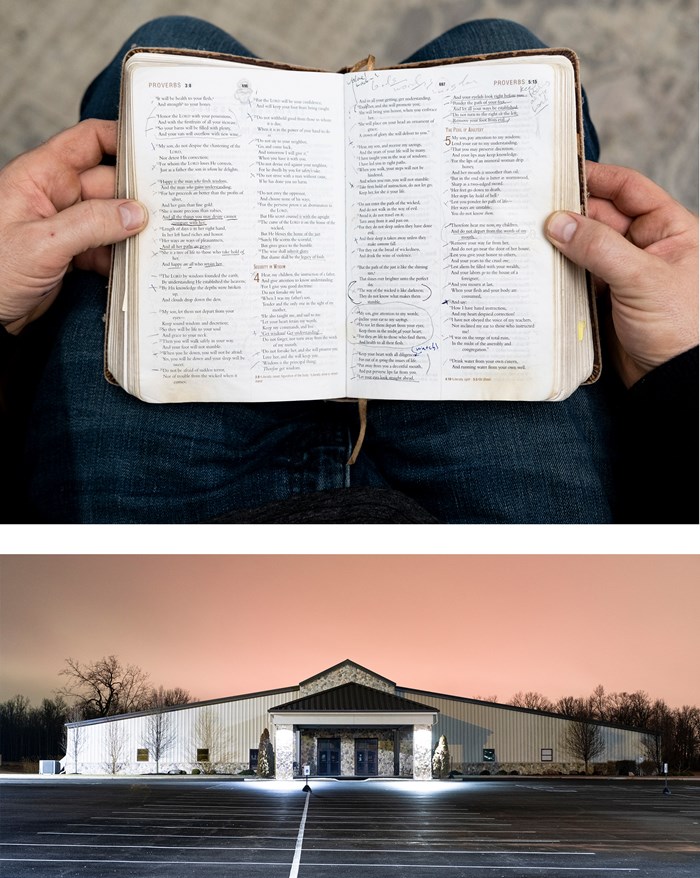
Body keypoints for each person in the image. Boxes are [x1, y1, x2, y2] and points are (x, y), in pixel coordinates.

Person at [0, 16, 697, 523]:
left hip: (161, 540)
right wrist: (681, 375)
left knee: (173, 44)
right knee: (490, 49)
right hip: (491, 535)